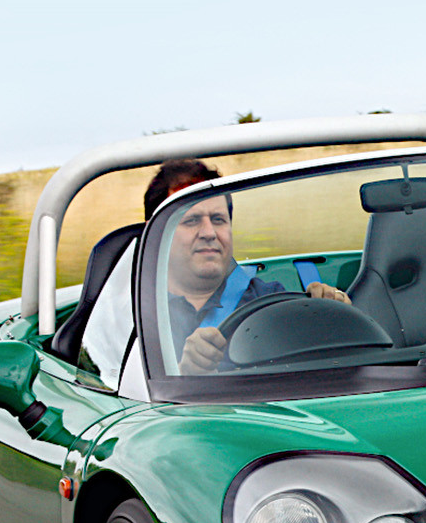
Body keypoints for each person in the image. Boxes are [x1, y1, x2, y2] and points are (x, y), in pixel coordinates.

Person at [145, 160, 351, 374]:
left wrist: (334, 319)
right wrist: (183, 375)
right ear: (156, 235)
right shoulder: (138, 314)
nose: (209, 233)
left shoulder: (269, 302)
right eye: (191, 220)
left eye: (218, 219)